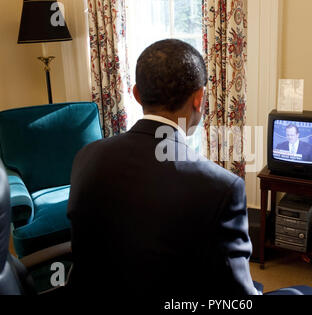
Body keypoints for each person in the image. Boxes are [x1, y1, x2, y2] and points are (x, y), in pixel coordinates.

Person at [67, 39, 258, 295]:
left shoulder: (86, 157)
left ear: (136, 94)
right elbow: (238, 295)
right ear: (199, 99)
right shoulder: (223, 188)